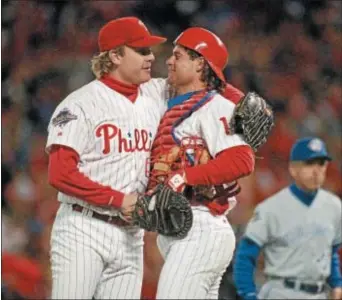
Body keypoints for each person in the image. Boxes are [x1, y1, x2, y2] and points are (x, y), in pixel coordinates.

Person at [46, 17, 169, 299]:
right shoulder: (80, 104)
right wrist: (116, 199)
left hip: (131, 235)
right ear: (115, 55)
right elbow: (60, 174)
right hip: (83, 229)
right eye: (141, 51)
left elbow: (199, 80)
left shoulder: (155, 93)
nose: (151, 57)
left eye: (149, 50)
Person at [146, 27, 259, 299]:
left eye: (178, 55)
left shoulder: (215, 106)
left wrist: (185, 176)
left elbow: (242, 160)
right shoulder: (169, 101)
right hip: (179, 230)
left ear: (199, 63)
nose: (169, 61)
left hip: (200, 225)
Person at [233, 137, 342, 300]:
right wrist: (249, 294)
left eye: (321, 164)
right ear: (293, 169)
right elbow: (245, 257)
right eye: (309, 164)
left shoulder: (333, 206)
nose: (316, 171)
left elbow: (331, 253)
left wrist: (337, 285)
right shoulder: (271, 208)